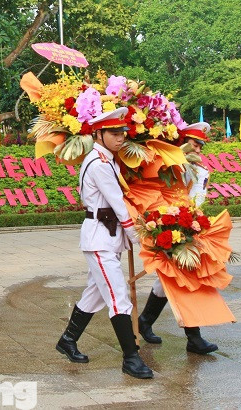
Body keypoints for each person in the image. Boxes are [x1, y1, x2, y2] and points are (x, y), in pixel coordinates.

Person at [54, 106, 153, 379]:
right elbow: (119, 205)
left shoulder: (106, 159)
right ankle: (131, 358)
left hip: (106, 236)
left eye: (123, 132)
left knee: (95, 293)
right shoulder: (99, 164)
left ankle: (67, 340)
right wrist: (139, 237)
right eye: (114, 132)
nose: (121, 137)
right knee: (118, 296)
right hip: (100, 237)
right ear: (98, 134)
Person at [137, 121, 219, 355]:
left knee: (170, 279)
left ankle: (145, 321)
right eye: (195, 144)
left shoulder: (197, 168)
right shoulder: (169, 166)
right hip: (169, 226)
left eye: (202, 146)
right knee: (183, 279)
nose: (199, 150)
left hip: (187, 226)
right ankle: (194, 337)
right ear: (183, 143)